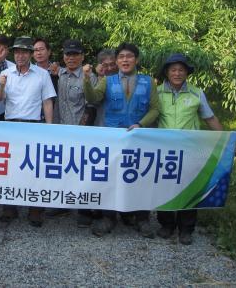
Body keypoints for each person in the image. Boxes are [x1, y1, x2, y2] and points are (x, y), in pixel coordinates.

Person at [83, 42, 161, 238]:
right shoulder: (107, 81)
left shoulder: (148, 82)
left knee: (140, 177)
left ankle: (141, 219)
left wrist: (141, 124)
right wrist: (86, 79)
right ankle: (109, 218)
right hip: (114, 139)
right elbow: (93, 97)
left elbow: (155, 109)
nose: (125, 60)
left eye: (129, 56)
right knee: (111, 177)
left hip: (139, 138)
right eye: (121, 57)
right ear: (117, 61)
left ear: (136, 60)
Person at [156, 53, 223, 245]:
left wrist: (226, 141)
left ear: (186, 72)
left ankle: (186, 229)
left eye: (181, 70)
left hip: (189, 149)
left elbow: (210, 118)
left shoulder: (196, 93)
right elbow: (152, 119)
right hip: (165, 151)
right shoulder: (157, 93)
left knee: (188, 187)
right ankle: (166, 224)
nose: (177, 73)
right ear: (166, 72)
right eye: (173, 70)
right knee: (164, 187)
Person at [0, 36, 56, 227]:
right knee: (11, 168)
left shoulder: (42, 74)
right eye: (17, 52)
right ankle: (10, 206)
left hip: (33, 126)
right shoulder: (6, 73)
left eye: (24, 52)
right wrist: (1, 85)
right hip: (11, 125)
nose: (20, 55)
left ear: (31, 54)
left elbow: (47, 102)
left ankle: (34, 208)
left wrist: (49, 127)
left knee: (34, 169)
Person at [46, 39, 99, 227]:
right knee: (62, 169)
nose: (71, 58)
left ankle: (84, 210)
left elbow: (91, 107)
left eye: (76, 54)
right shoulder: (59, 75)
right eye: (68, 54)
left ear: (82, 56)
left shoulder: (89, 77)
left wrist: (81, 131)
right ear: (63, 56)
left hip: (80, 132)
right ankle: (63, 205)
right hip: (60, 131)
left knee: (82, 172)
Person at [93, 49, 118, 127]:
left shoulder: (125, 79)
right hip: (102, 126)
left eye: (112, 64)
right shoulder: (95, 80)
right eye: (105, 66)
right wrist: (100, 75)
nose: (110, 68)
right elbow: (96, 99)